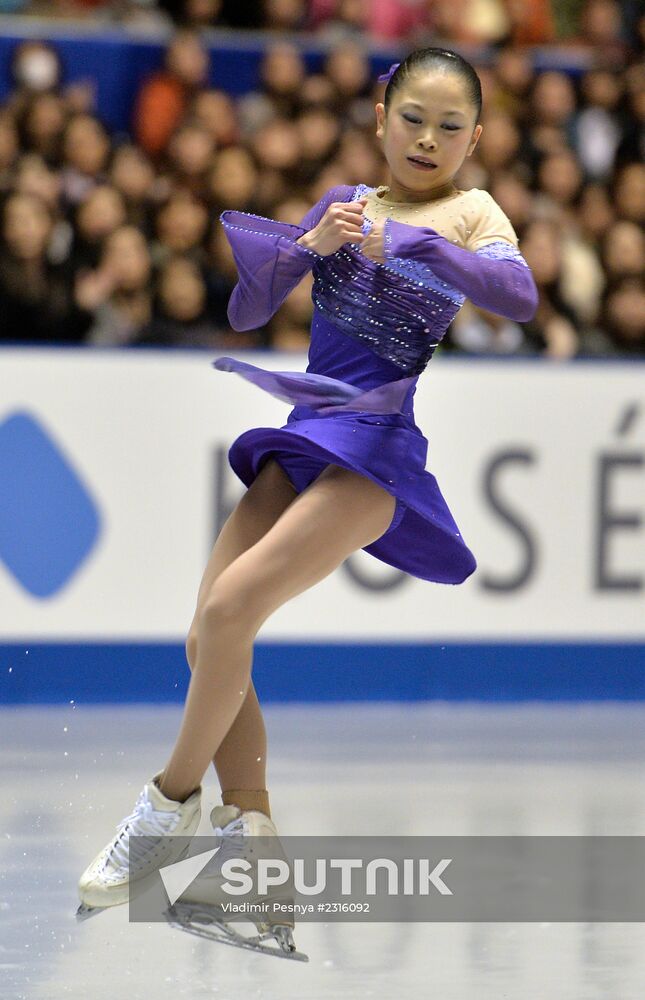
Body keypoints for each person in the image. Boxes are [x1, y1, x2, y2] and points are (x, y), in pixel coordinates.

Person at [76, 47, 538, 954]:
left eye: (451, 127)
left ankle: (167, 807)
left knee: (229, 605)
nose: (428, 139)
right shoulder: (345, 201)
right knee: (209, 633)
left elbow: (515, 295)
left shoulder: (470, 212)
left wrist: (412, 241)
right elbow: (250, 310)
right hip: (306, 435)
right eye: (412, 118)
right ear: (379, 117)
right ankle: (250, 853)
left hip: (375, 452)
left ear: (475, 139)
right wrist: (304, 248)